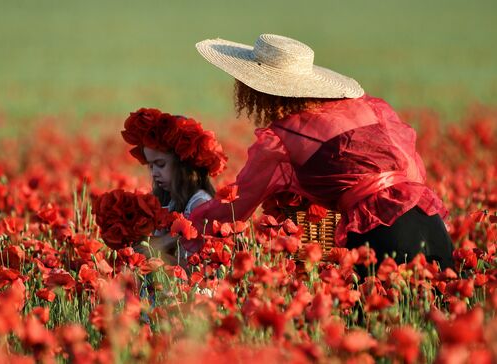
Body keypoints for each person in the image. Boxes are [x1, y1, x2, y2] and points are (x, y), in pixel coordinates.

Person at [186, 34, 455, 271]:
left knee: (382, 325)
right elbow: (409, 171)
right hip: (430, 224)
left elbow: (236, 206)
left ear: (256, 90)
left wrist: (182, 225)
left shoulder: (281, 139)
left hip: (381, 236)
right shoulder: (367, 109)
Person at [120, 108, 227, 266]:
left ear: (183, 164)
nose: (154, 173)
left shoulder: (201, 204)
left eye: (160, 164)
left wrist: (157, 253)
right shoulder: (170, 202)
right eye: (151, 166)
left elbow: (201, 271)